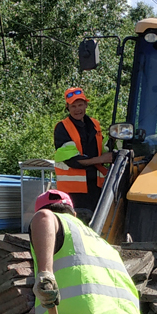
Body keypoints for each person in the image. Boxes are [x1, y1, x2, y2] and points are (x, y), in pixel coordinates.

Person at [53, 87, 114, 219]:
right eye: (73, 106)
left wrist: (113, 144)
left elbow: (101, 149)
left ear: (86, 105)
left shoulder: (95, 124)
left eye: (80, 105)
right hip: (73, 191)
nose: (77, 109)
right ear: (67, 108)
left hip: (96, 187)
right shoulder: (62, 128)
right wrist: (100, 159)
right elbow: (73, 160)